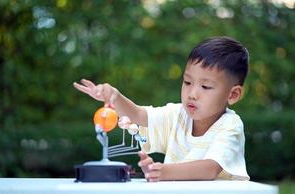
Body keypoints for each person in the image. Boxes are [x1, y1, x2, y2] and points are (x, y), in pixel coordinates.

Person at [73, 36, 250, 182]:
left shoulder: (230, 125)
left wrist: (162, 172)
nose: (192, 94)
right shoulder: (177, 115)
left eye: (206, 87)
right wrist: (114, 96)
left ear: (233, 95)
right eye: (187, 82)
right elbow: (137, 115)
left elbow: (209, 168)